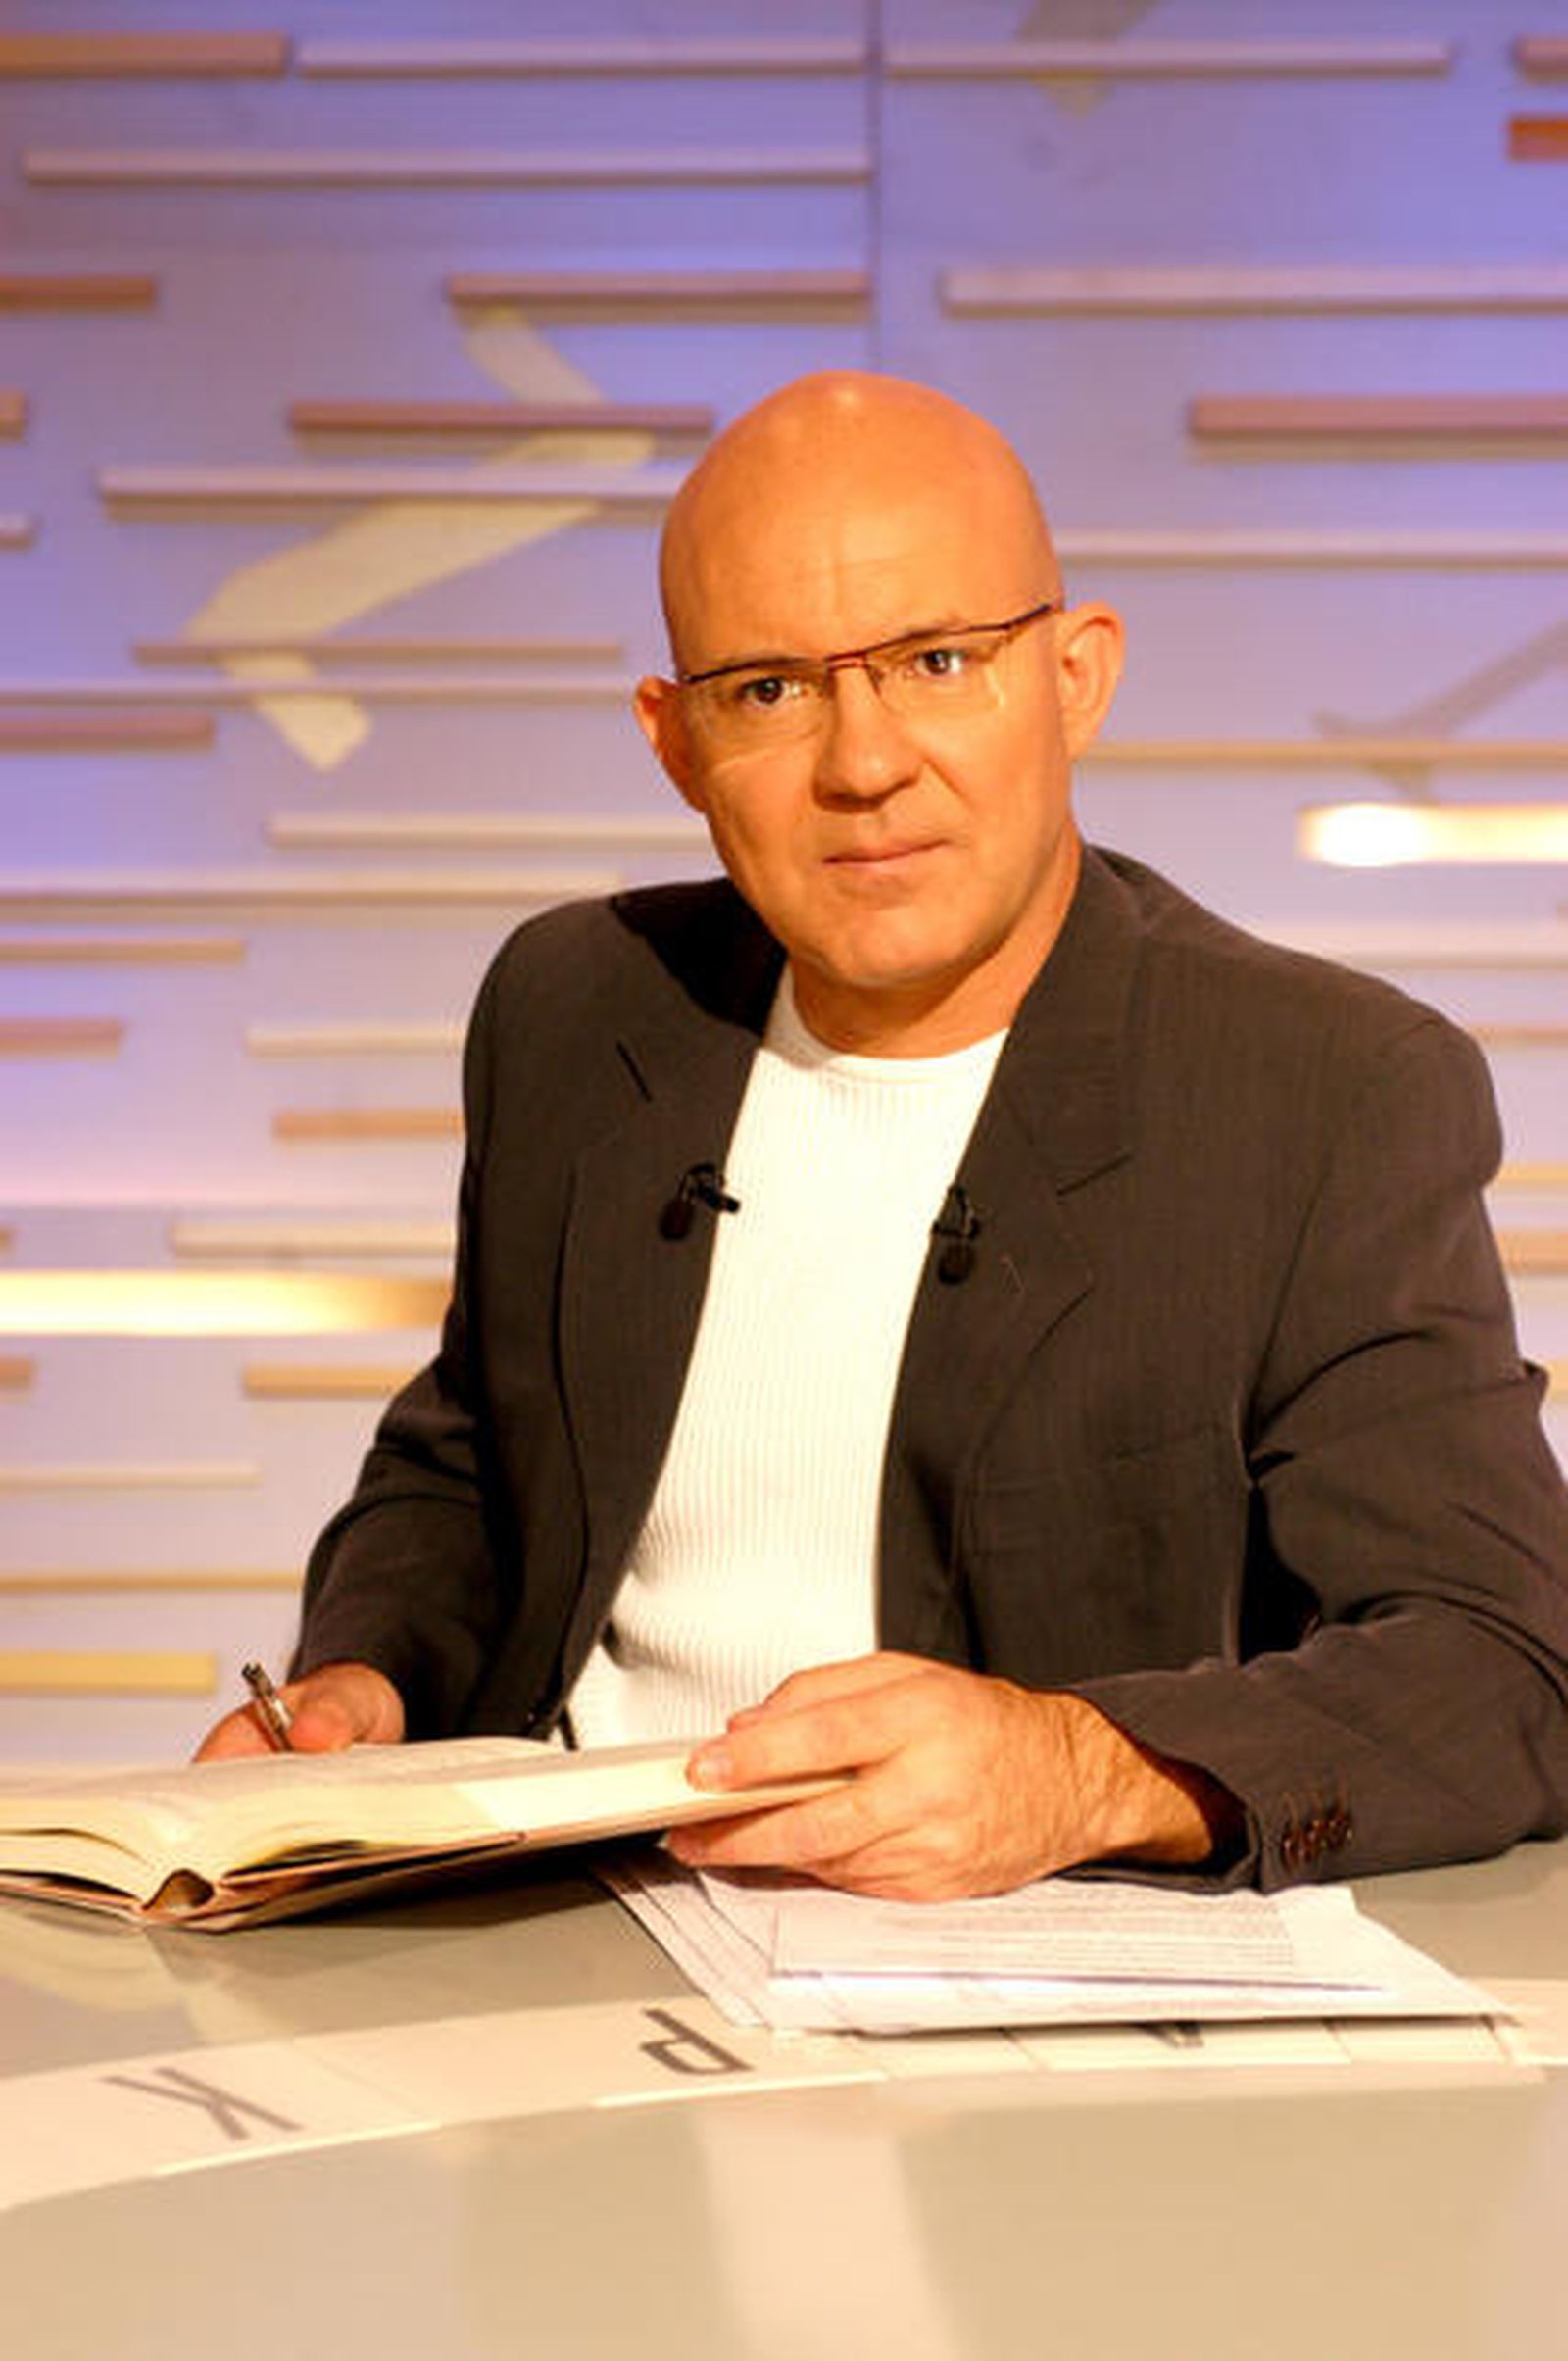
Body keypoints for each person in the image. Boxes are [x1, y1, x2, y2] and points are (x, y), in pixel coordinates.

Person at [197, 370, 1568, 1900]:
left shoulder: (1324, 1091)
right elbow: (469, 1465)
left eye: (937, 660)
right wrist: (366, 1676)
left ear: (1077, 677)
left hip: (1008, 1979)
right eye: (768, 690)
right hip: (545, 1934)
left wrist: (1078, 1768)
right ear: (674, 741)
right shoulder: (573, 1008)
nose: (863, 764)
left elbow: (1501, 1662)